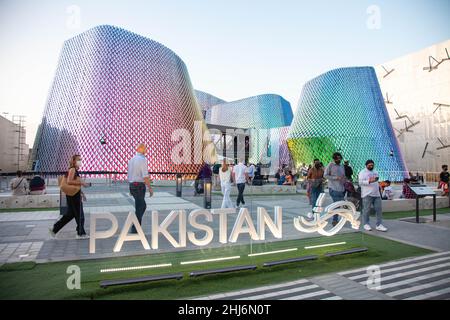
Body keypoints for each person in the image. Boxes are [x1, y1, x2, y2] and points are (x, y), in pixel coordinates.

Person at [49, 154, 90, 239]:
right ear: (74, 161)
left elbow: (74, 185)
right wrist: (82, 183)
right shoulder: (72, 170)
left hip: (72, 195)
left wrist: (82, 193)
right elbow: (70, 181)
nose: (80, 161)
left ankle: (55, 229)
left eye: (81, 160)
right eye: (78, 160)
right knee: (80, 214)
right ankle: (80, 233)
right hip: (74, 196)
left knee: (70, 215)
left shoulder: (73, 170)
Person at [127, 144, 153, 233]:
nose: (146, 150)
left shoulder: (131, 160)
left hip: (133, 185)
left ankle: (135, 226)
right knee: (140, 207)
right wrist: (150, 188)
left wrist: (130, 187)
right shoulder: (143, 159)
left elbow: (129, 175)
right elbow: (145, 176)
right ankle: (135, 228)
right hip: (139, 186)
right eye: (144, 148)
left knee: (141, 206)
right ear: (139, 149)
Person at [359, 160, 388, 232]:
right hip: (367, 194)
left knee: (379, 209)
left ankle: (379, 224)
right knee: (366, 210)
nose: (371, 166)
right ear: (366, 165)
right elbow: (360, 183)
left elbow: (377, 181)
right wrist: (369, 181)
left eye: (372, 165)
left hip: (376, 194)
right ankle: (366, 224)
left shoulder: (375, 172)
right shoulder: (362, 172)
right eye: (369, 165)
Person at [324, 152, 346, 226]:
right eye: (337, 158)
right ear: (334, 158)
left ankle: (335, 218)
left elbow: (343, 176)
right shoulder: (330, 165)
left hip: (341, 188)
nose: (338, 159)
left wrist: (345, 180)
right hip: (333, 188)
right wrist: (335, 178)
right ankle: (334, 220)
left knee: (340, 204)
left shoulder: (342, 166)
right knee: (337, 204)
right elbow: (325, 175)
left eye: (340, 158)